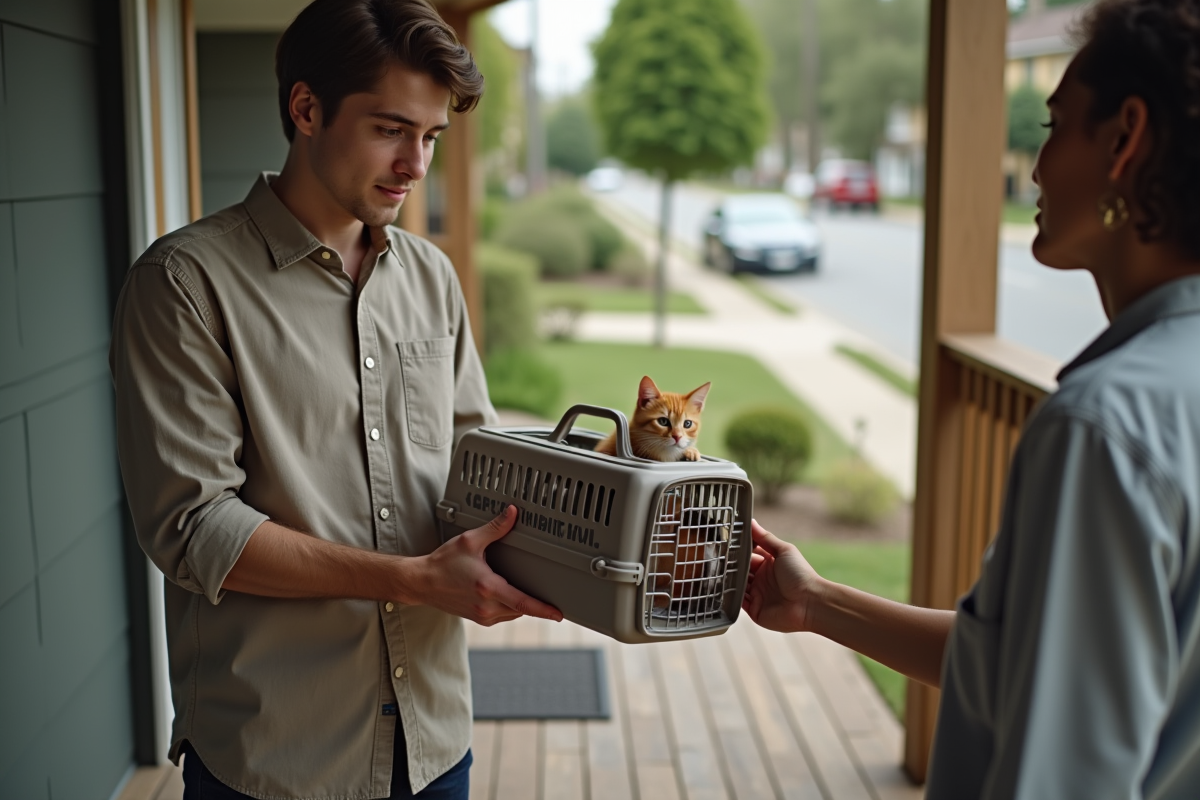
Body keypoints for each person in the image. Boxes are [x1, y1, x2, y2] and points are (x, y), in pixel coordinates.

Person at [742, 1, 1200, 797]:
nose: (1033, 166)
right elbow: (1026, 660)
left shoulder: (1102, 428)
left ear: (1125, 140)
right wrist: (816, 603)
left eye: (1055, 128)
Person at [109, 1, 561, 798]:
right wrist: (413, 579)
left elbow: (475, 469)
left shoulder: (431, 279)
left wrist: (616, 492)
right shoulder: (184, 284)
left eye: (431, 138)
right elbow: (194, 526)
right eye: (391, 129)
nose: (415, 165)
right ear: (307, 109)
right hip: (278, 758)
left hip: (433, 744)